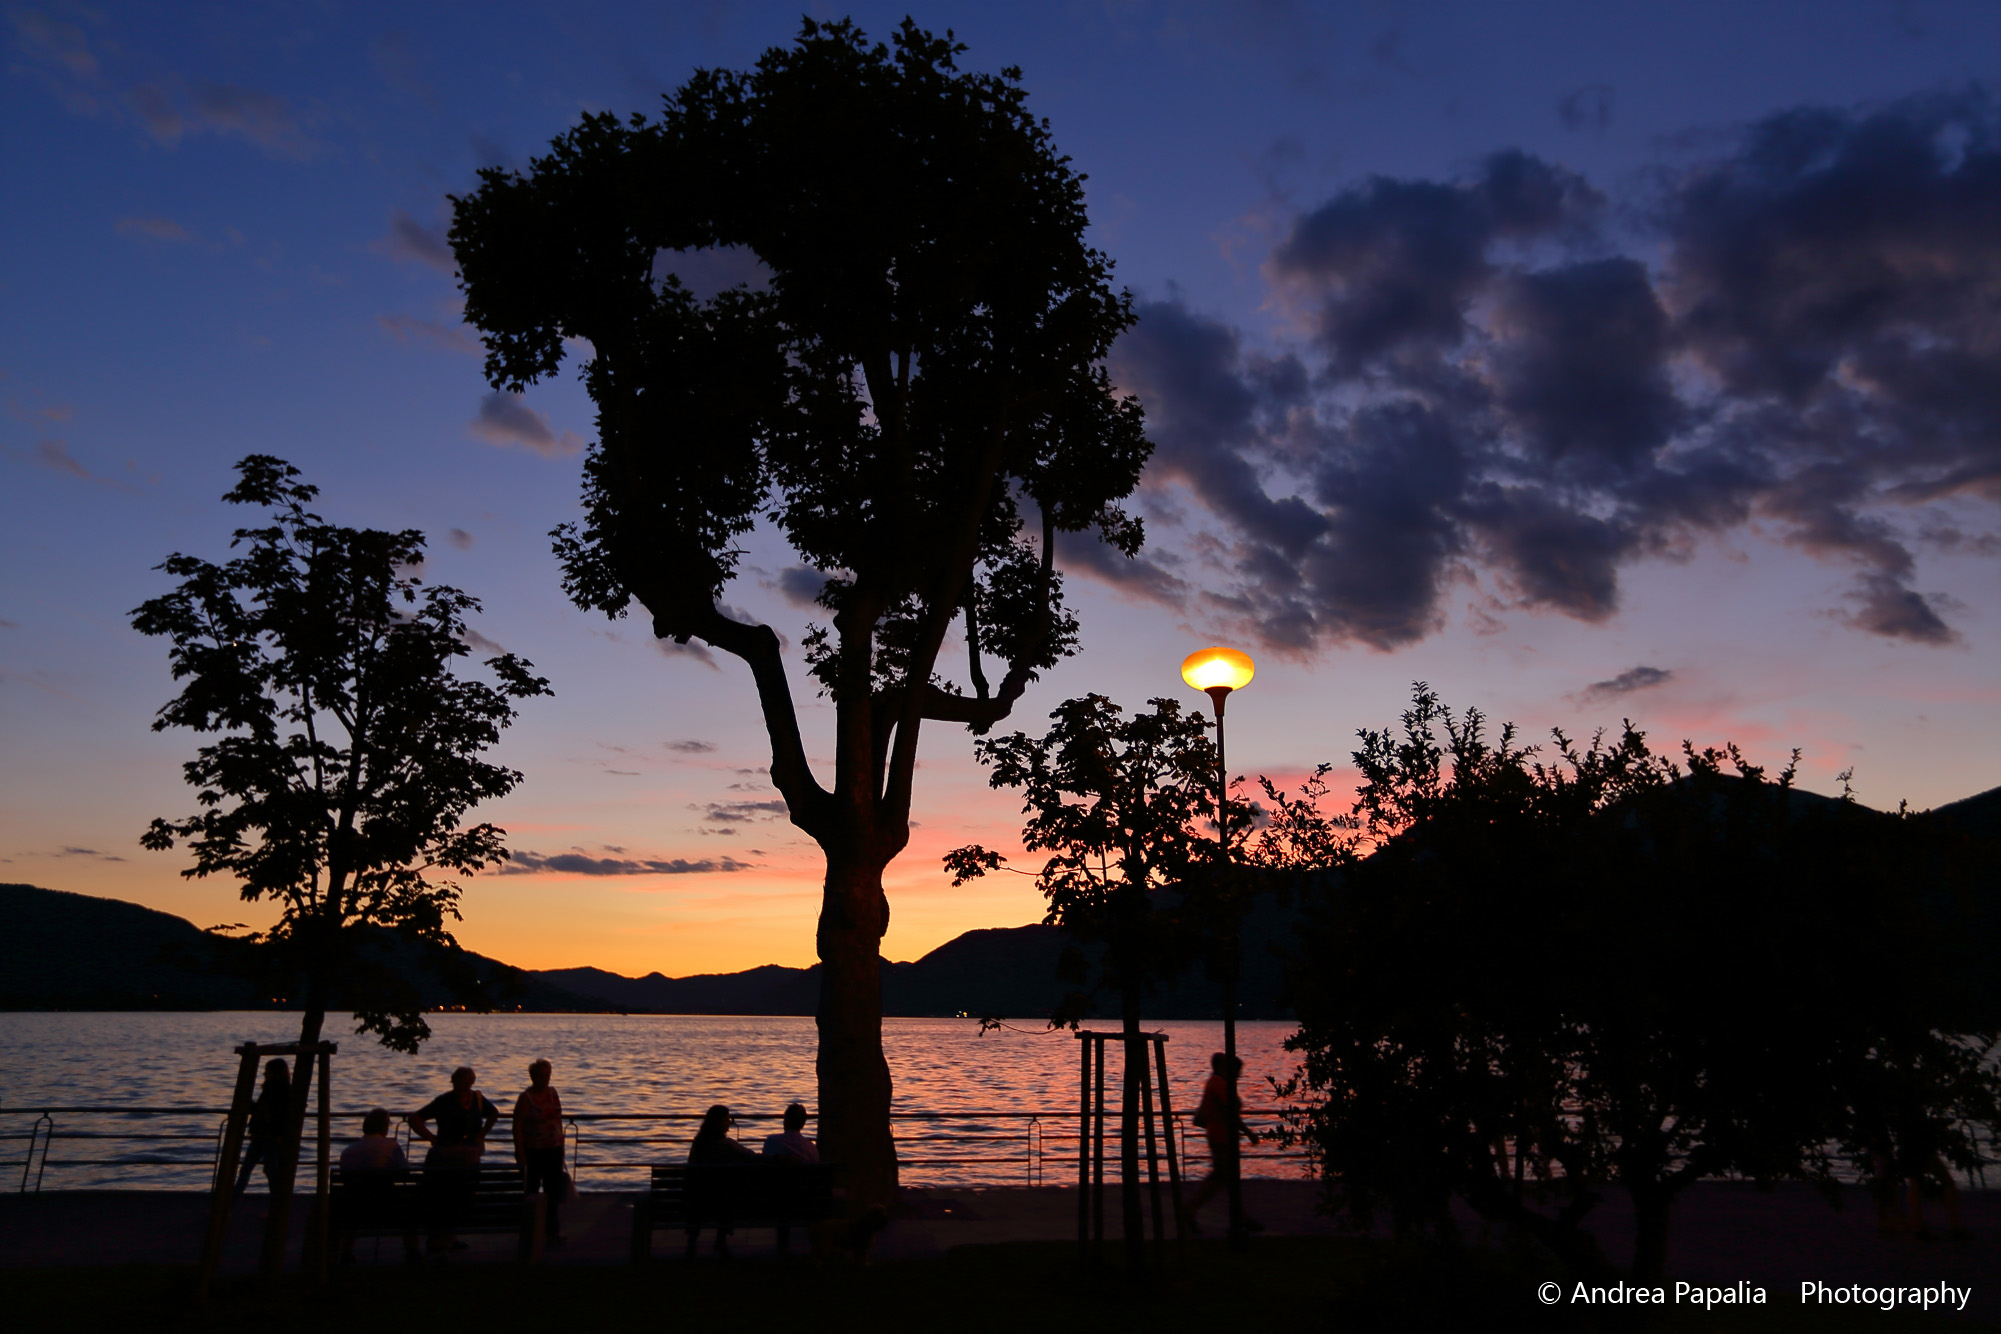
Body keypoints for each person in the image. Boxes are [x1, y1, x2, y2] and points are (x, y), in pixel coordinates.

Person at [408, 1066, 498, 1256]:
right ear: (455, 1082)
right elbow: (415, 1118)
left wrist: (482, 1134)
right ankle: (444, 1239)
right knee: (447, 1196)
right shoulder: (444, 1101)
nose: (466, 1085)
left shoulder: (475, 1099)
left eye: (468, 1081)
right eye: (464, 1081)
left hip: (463, 1157)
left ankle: (447, 1237)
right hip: (449, 1156)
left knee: (454, 1197)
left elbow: (493, 1114)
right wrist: (432, 1138)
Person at [1185, 1052, 1260, 1233]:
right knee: (1220, 1178)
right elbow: (1231, 1114)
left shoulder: (1217, 1084)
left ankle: (1240, 1216)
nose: (1238, 1076)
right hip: (1221, 1138)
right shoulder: (1219, 1085)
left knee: (1226, 1179)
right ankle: (1189, 1210)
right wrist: (1249, 1133)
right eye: (1237, 1072)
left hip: (1221, 1136)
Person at [335, 1108, 414, 1263]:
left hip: (354, 1209)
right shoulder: (391, 1147)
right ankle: (412, 1251)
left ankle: (345, 1252)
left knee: (353, 1208)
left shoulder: (348, 1151)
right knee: (407, 1209)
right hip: (387, 1207)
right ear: (384, 1127)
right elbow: (406, 1172)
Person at [686, 1104, 757, 1255]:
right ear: (719, 1123)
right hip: (722, 1203)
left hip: (696, 1201)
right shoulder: (727, 1145)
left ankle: (692, 1242)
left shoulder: (698, 1144)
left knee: (705, 1191)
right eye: (727, 1120)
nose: (730, 1124)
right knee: (728, 1192)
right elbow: (753, 1157)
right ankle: (720, 1241)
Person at [513, 1058, 569, 1244]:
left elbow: (558, 1119)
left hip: (553, 1149)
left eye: (548, 1075)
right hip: (534, 1151)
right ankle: (531, 1231)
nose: (545, 1079)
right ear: (533, 1076)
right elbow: (517, 1126)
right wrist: (519, 1151)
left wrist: (561, 1144)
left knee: (552, 1193)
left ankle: (552, 1232)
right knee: (532, 1191)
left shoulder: (553, 1093)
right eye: (541, 1075)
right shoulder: (526, 1098)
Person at [233, 1058, 291, 1197]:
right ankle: (231, 1203)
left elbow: (272, 1113)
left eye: (267, 1071)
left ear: (275, 1073)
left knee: (260, 1170)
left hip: (269, 1136)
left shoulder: (277, 1091)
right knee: (253, 1170)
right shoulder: (274, 1089)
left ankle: (230, 1205)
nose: (264, 1074)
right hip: (263, 1136)